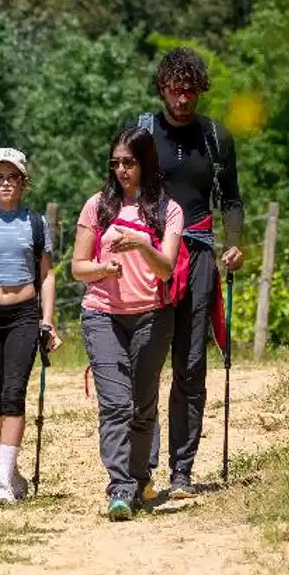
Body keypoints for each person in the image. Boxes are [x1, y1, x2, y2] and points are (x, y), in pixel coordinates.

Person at [138, 48, 245, 499]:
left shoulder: (216, 136)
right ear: (162, 89)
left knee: (191, 362)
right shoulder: (142, 133)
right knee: (143, 359)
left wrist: (235, 240)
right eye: (175, 90)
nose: (183, 100)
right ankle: (142, 467)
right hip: (150, 256)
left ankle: (182, 471)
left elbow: (232, 199)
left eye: (191, 92)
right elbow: (119, 189)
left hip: (199, 254)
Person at [71, 126, 183, 521]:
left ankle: (138, 479)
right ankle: (119, 487)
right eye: (115, 162)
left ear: (145, 163)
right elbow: (77, 267)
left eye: (129, 162)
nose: (121, 170)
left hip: (152, 314)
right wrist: (103, 268)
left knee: (142, 404)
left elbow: (167, 269)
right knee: (115, 405)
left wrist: (142, 245)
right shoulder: (97, 206)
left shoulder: (167, 210)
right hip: (102, 314)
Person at [0, 148, 60, 504]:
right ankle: (7, 466)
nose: (6, 183)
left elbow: (46, 274)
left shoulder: (35, 224)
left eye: (13, 177)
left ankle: (2, 482)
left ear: (23, 183)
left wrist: (47, 321)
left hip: (23, 315)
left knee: (14, 394)